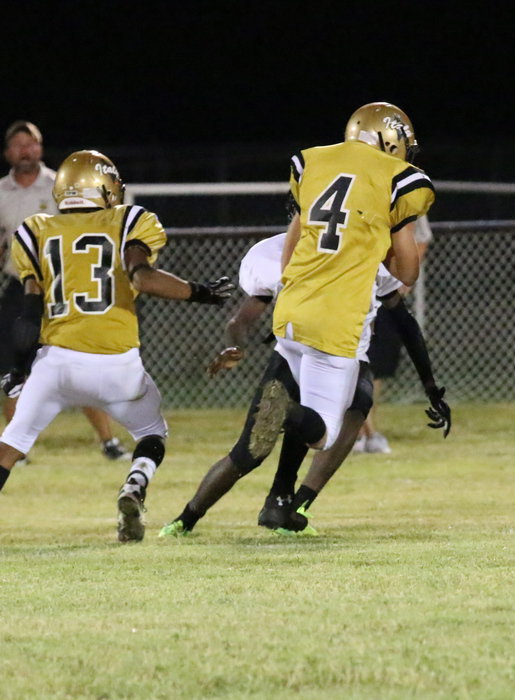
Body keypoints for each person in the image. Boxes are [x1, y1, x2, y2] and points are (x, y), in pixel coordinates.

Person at [0, 150, 234, 547]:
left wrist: (19, 369)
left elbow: (29, 314)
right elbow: (143, 278)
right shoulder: (128, 221)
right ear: (106, 188)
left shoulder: (37, 230)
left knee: (11, 443)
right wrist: (199, 292)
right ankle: (135, 481)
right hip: (116, 362)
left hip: (56, 363)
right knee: (152, 431)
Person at [157, 233, 450, 537]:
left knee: (254, 449)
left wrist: (236, 347)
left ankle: (206, 517)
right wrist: (430, 385)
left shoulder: (281, 251)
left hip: (292, 352)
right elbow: (404, 320)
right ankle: (292, 505)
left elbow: (240, 321)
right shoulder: (359, 251)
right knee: (331, 426)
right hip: (336, 354)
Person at [274, 101, 433, 484]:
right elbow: (407, 270)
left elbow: (291, 247)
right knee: (324, 434)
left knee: (313, 407)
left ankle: (281, 496)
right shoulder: (397, 179)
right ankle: (283, 411)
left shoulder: (312, 161)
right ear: (391, 140)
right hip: (338, 318)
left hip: (290, 311)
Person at [0, 121, 127, 460]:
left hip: (64, 289)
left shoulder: (61, 186)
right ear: (7, 153)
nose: (26, 150)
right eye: (18, 144)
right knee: (14, 369)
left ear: (40, 148)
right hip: (20, 289)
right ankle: (16, 449)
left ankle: (109, 443)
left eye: (31, 143)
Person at [357, 213, 435, 454]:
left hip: (384, 291)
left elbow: (421, 238)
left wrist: (403, 280)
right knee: (352, 359)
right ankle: (363, 433)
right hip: (353, 287)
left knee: (376, 363)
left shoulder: (406, 198)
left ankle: (363, 431)